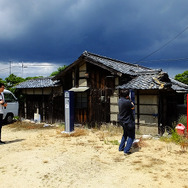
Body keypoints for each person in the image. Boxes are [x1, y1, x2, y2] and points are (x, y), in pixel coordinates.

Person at [118, 89, 135, 155]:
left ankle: (121, 148)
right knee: (131, 136)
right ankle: (126, 150)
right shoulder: (127, 102)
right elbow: (133, 107)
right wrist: (131, 101)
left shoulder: (119, 100)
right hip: (128, 121)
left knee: (125, 134)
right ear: (127, 95)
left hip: (122, 121)